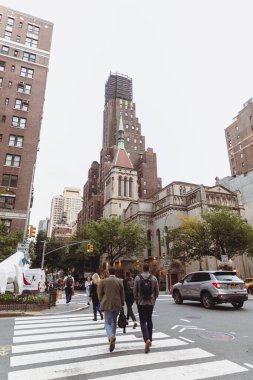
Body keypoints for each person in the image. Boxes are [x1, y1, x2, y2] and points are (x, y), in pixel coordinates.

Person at [133, 263, 159, 353]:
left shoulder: (137, 278)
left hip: (141, 302)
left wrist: (137, 300)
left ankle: (146, 339)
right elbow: (157, 292)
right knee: (149, 320)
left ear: (142, 268)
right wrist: (153, 299)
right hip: (150, 302)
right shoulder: (154, 278)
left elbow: (134, 291)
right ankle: (150, 340)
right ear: (149, 268)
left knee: (143, 321)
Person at [98, 267, 125, 352]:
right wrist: (122, 303)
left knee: (107, 322)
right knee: (114, 321)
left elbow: (100, 294)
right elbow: (122, 294)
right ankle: (113, 336)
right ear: (115, 272)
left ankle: (110, 336)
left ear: (109, 272)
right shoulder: (120, 281)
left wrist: (102, 300)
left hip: (107, 303)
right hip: (117, 304)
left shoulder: (104, 281)